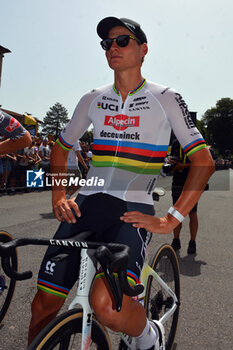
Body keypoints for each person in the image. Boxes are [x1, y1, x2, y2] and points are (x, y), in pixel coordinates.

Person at [28, 17, 214, 350]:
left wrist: (171, 218)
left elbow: (204, 161)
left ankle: (149, 337)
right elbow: (60, 147)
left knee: (106, 307)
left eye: (122, 40)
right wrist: (58, 196)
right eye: (107, 43)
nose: (113, 47)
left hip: (131, 208)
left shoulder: (166, 97)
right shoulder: (92, 98)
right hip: (84, 206)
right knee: (42, 305)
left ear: (143, 50)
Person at [168, 138, 199, 254]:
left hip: (192, 183)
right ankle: (176, 240)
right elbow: (171, 163)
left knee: (192, 213)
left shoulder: (195, 142)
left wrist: (184, 166)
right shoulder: (176, 143)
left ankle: (192, 242)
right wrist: (172, 166)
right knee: (176, 213)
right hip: (177, 182)